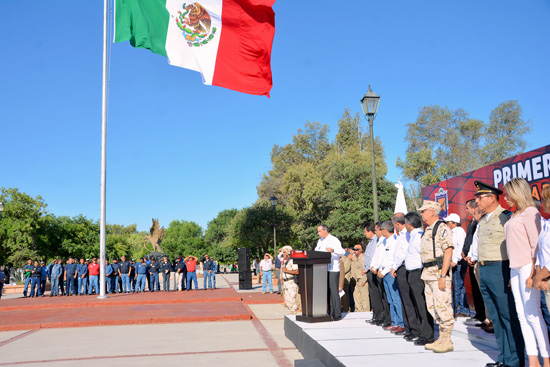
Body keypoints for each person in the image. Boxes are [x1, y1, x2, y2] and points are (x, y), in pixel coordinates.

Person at [475, 180, 525, 367]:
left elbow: (515, 245)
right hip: (485, 268)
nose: (477, 201)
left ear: (492, 198)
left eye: (480, 197)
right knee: (495, 317)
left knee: (507, 315)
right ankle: (504, 357)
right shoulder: (483, 220)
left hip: (501, 269)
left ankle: (515, 360)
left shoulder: (505, 216)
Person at [503, 178, 549, 367]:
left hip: (527, 267)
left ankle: (545, 360)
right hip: (515, 268)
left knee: (533, 314)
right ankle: (532, 359)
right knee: (522, 315)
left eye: (508, 194)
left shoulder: (531, 213)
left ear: (517, 193)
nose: (505, 198)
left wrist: (532, 274)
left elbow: (536, 245)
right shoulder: (515, 215)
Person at [419, 200, 454, 353]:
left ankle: (447, 340)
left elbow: (448, 251)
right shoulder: (428, 229)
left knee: (442, 305)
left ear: (432, 212)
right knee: (432, 306)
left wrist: (443, 275)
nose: (421, 214)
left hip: (438, 272)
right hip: (428, 273)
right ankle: (441, 337)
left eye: (423, 211)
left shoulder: (442, 228)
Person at [403, 211, 434, 346]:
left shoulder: (419, 236)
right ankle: (422, 332)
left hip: (418, 273)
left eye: (405, 223)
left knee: (422, 305)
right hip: (412, 274)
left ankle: (428, 335)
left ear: (409, 224)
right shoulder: (414, 236)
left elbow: (423, 256)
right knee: (417, 304)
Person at [463, 199, 488, 326]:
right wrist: (467, 254)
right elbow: (471, 242)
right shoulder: (472, 223)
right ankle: (480, 314)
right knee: (476, 289)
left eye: (467, 208)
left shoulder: (483, 223)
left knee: (483, 290)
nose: (466, 210)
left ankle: (486, 317)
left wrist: (473, 257)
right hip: (471, 259)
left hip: (480, 260)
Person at [377, 221, 404, 333]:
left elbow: (392, 259)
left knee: (396, 298)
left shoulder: (394, 241)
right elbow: (383, 257)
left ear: (384, 230)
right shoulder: (385, 241)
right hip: (384, 271)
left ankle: (401, 323)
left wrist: (384, 271)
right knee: (390, 299)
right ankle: (394, 322)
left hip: (390, 272)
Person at [315, 224, 345, 321]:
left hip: (333, 269)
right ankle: (329, 311)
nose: (318, 233)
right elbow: (316, 252)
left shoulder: (334, 240)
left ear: (325, 231)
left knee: (334, 290)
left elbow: (342, 252)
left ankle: (337, 313)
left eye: (319, 231)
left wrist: (333, 250)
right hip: (323, 269)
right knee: (326, 291)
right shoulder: (320, 241)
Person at [363, 222, 390, 326]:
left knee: (379, 294)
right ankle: (376, 315)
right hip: (371, 270)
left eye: (366, 231)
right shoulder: (372, 242)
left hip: (376, 270)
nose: (365, 233)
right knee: (374, 294)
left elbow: (376, 256)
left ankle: (381, 316)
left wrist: (370, 268)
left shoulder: (378, 241)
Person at [444, 213, 470, 317]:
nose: (446, 223)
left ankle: (460, 309)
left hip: (458, 262)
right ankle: (461, 309)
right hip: (453, 262)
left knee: (458, 285)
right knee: (457, 285)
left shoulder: (459, 231)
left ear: (454, 223)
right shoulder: (450, 232)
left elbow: (460, 247)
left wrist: (455, 259)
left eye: (448, 222)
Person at [391, 213, 412, 336]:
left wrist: (394, 266)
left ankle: (410, 327)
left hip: (403, 267)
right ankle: (407, 327)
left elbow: (402, 253)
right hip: (399, 267)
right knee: (404, 299)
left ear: (397, 224)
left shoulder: (407, 234)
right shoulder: (401, 235)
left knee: (407, 299)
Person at [281, 246, 299, 314]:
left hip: (291, 282)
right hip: (286, 282)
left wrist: (286, 271)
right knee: (287, 299)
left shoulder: (292, 261)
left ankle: (293, 312)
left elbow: (297, 271)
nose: (283, 254)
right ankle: (291, 311)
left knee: (292, 299)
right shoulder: (286, 261)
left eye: (284, 252)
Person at [351, 244, 369, 312]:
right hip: (356, 280)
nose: (355, 251)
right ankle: (359, 311)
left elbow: (365, 270)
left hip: (362, 279)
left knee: (364, 297)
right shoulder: (355, 258)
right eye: (354, 250)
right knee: (356, 296)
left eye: (356, 249)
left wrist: (364, 280)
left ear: (360, 250)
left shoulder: (363, 258)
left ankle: (366, 311)